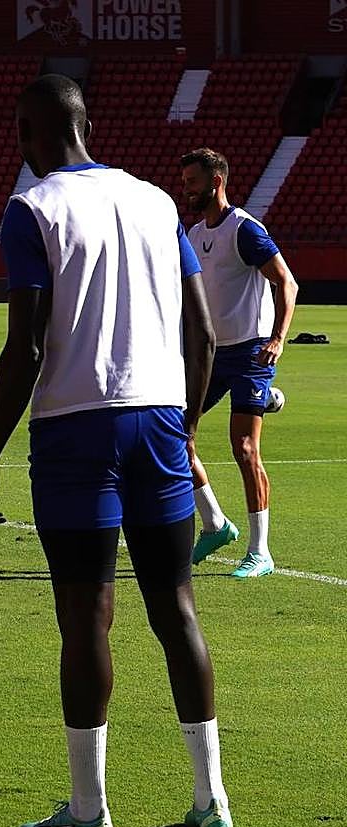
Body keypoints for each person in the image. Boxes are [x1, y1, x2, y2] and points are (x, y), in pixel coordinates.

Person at [0, 75, 231, 827]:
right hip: (157, 420)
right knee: (177, 610)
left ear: (31, 133)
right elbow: (205, 334)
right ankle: (210, 805)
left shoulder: (33, 208)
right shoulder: (156, 200)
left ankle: (89, 814)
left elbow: (22, 346)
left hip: (76, 429)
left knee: (87, 620)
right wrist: (182, 422)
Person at [180, 148, 299, 579]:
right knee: (176, 435)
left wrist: (278, 340)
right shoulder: (193, 236)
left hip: (250, 352)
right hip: (210, 353)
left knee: (244, 448)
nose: (186, 188)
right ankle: (214, 523)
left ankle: (260, 551)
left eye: (192, 181)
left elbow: (287, 281)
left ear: (216, 182)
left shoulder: (244, 230)